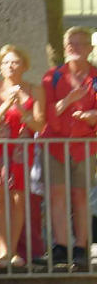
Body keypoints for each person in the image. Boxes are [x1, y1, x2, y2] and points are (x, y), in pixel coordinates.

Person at [0, 44, 42, 269]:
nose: (10, 66)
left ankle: (13, 251)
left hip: (21, 151)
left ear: (24, 66)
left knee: (18, 199)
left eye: (15, 62)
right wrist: (6, 104)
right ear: (0, 67)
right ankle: (2, 249)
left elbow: (40, 124)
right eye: (5, 62)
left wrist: (23, 111)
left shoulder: (35, 90)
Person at [35, 26, 95, 269]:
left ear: (90, 48)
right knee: (57, 195)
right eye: (70, 43)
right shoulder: (52, 76)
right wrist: (68, 100)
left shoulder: (96, 77)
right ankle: (61, 247)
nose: (74, 47)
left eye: (80, 43)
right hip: (55, 144)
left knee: (81, 196)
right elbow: (46, 114)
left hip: (85, 145)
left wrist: (92, 116)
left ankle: (81, 247)